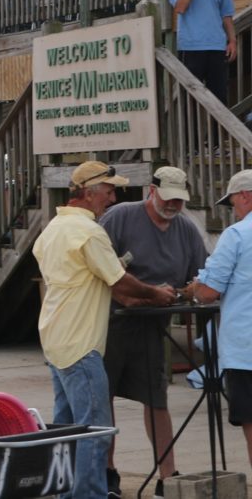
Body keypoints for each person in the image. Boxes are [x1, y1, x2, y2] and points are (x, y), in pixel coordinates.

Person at [32, 162, 176, 499]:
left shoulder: (53, 228)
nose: (112, 198)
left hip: (55, 339)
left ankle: (67, 492)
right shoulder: (89, 233)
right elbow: (119, 280)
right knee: (94, 429)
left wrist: (134, 297)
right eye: (108, 191)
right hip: (81, 345)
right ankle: (89, 494)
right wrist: (156, 293)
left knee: (67, 428)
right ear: (88, 192)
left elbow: (103, 285)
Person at [99, 166, 207, 498]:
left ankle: (167, 473)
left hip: (153, 326)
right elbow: (101, 271)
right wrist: (140, 295)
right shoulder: (119, 217)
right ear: (152, 190)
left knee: (156, 398)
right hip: (111, 324)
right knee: (104, 399)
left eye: (179, 199)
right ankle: (107, 473)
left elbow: (201, 277)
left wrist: (185, 292)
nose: (174, 205)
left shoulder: (186, 230)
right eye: (169, 198)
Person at [190, 169, 252, 468]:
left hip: (246, 350)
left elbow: (209, 292)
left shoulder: (238, 234)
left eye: (233, 203)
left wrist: (193, 288)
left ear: (245, 196)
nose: (234, 210)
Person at [170, 0, 236, 105]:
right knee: (190, 100)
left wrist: (232, 41)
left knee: (220, 98)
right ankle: (189, 132)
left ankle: (216, 132)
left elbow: (226, 14)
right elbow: (180, 7)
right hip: (191, 47)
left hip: (216, 46)